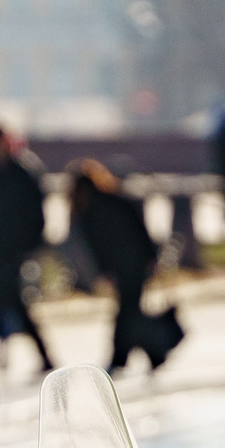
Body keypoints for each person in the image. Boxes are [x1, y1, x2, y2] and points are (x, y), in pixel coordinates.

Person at [69, 159, 163, 371]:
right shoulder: (115, 199)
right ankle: (150, 353)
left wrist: (104, 271)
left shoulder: (88, 211)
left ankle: (125, 357)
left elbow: (96, 247)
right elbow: (139, 229)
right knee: (131, 311)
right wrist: (151, 258)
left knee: (127, 312)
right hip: (135, 263)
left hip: (124, 267)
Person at [0, 121, 55, 374]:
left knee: (3, 303)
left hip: (14, 251)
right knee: (1, 303)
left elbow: (36, 212)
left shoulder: (21, 172)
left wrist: (29, 245)